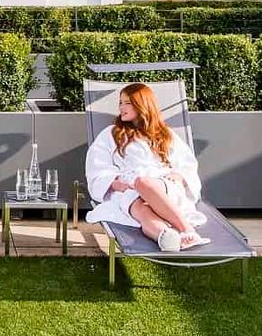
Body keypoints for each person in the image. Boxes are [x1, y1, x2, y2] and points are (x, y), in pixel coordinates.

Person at [84, 82, 210, 252]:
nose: (121, 107)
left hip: (162, 186)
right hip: (128, 190)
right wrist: (114, 183)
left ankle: (187, 230)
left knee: (143, 182)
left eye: (127, 103)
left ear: (142, 105)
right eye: (120, 102)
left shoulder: (165, 134)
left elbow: (186, 163)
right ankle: (167, 237)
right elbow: (97, 165)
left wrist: (179, 176)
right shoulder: (111, 133)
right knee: (140, 209)